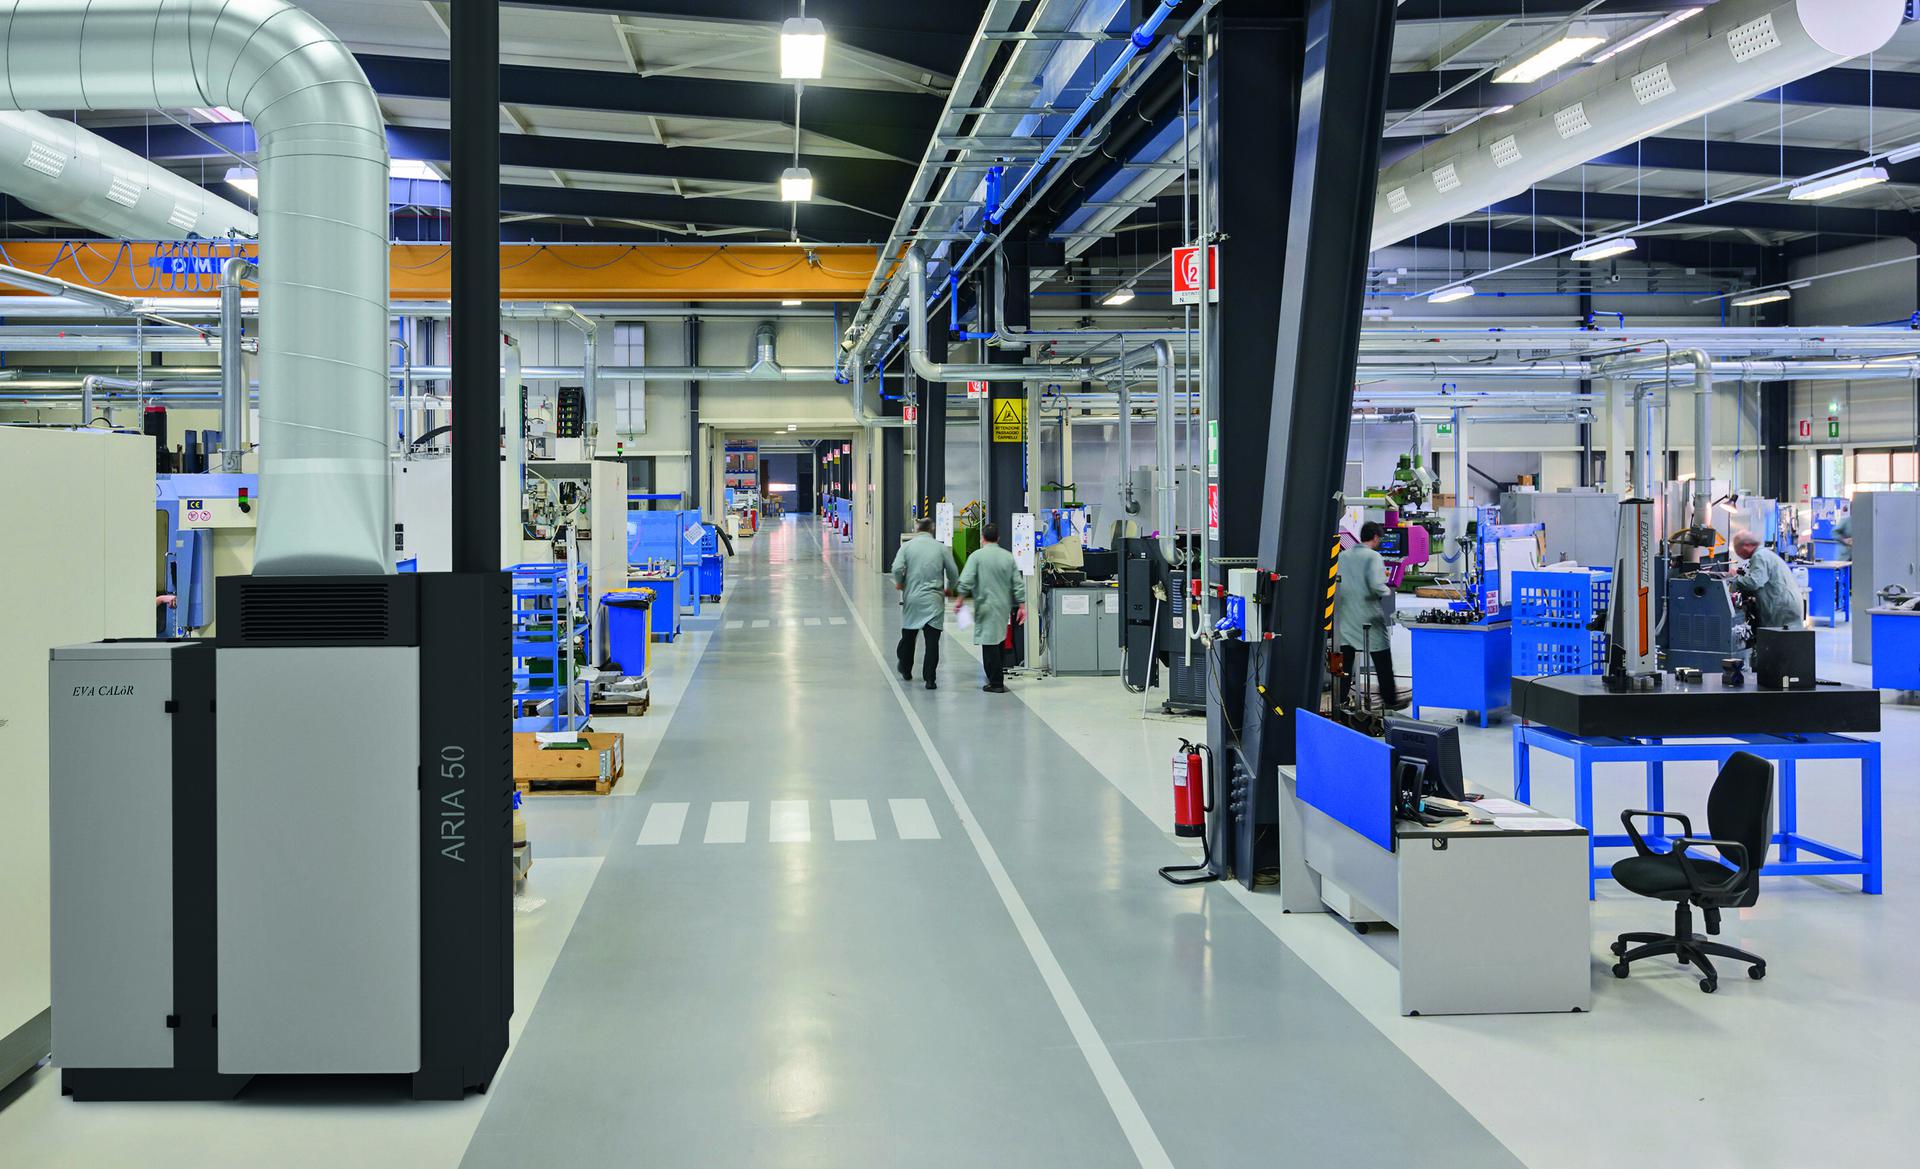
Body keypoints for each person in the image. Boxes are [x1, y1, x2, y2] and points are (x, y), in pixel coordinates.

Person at [1334, 521, 1403, 709]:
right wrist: (1387, 590)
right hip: (1368, 617)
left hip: (1346, 617)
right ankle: (1389, 700)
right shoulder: (1373, 556)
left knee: (1346, 662)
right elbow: (1376, 585)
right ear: (1376, 537)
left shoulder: (1343, 555)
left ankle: (1340, 700)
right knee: (1382, 660)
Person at [956, 521, 1027, 693]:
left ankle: (996, 683)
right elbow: (1018, 584)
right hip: (1003, 607)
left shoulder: (976, 557)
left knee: (988, 644)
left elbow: (966, 581)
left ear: (982, 538)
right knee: (1000, 640)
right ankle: (997, 678)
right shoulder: (1007, 557)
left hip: (985, 606)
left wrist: (960, 599)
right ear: (998, 538)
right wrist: (1022, 606)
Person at [890, 517, 960, 690]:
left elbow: (897, 568)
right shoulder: (940, 548)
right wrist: (950, 588)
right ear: (931, 530)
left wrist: (899, 582)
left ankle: (906, 668)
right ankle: (930, 679)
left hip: (913, 598)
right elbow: (953, 572)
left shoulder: (907, 547)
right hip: (934, 600)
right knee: (932, 642)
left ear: (917, 529)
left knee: (909, 637)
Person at [1731, 528, 1804, 628]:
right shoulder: (1764, 553)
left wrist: (1734, 578)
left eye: (1736, 549)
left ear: (1747, 545)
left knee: (1775, 636)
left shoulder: (1759, 556)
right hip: (1786, 605)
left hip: (1782, 608)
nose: (1737, 553)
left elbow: (1754, 582)